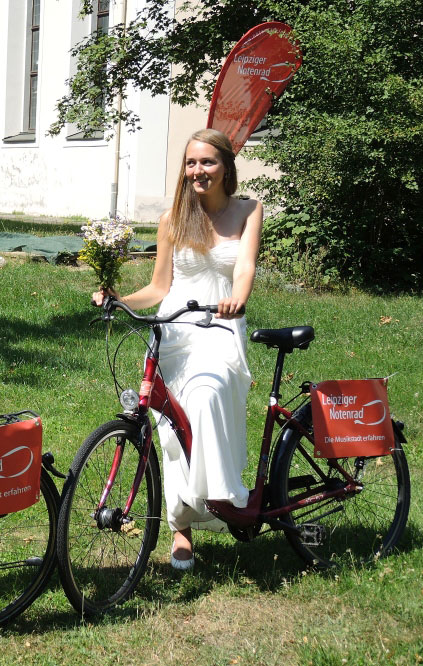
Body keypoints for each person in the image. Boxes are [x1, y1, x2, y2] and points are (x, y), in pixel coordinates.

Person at [92, 128, 263, 570]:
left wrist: (238, 298)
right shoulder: (173, 218)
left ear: (226, 166)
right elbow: (158, 286)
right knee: (169, 429)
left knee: (207, 395)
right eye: (190, 163)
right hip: (174, 330)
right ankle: (181, 528)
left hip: (219, 325)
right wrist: (119, 300)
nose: (197, 171)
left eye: (207, 162)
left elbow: (244, 266)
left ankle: (215, 497)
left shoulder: (248, 210)